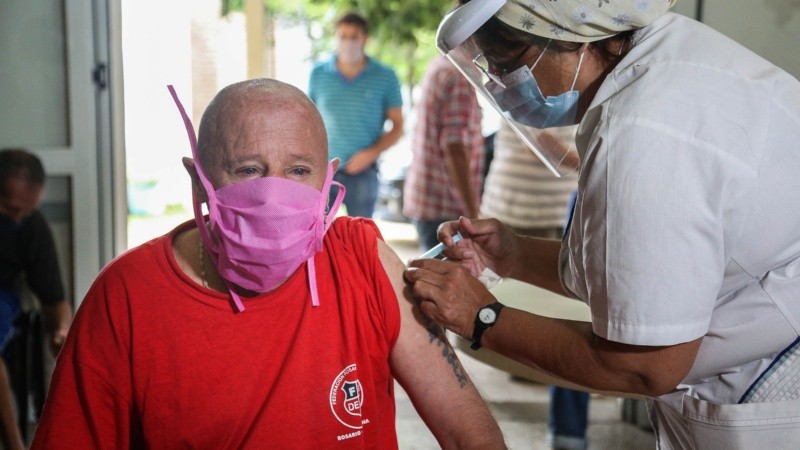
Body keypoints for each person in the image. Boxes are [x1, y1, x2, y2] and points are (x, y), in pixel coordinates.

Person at [405, 0, 800, 448]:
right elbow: (641, 275)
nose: (502, 87)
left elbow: (645, 365)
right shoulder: (667, 54)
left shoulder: (642, 130)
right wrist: (514, 254)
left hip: (775, 389)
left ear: (567, 34)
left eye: (508, 67)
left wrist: (481, 317)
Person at [30, 79, 506, 449]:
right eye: (248, 170)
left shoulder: (361, 260)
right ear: (198, 181)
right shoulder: (127, 296)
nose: (275, 197)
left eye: (299, 172)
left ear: (327, 180)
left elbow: (470, 433)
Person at [480, 123, 586, 450]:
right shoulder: (519, 93)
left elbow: (597, 163)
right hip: (502, 216)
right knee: (484, 319)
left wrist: (566, 157)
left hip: (554, 221)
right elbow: (534, 147)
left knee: (571, 326)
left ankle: (568, 434)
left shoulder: (584, 102)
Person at [0, 149, 73, 450]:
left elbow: (54, 298)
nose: (19, 218)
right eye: (10, 208)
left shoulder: (32, 226)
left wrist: (62, 333)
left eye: (26, 212)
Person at [308, 12, 404, 218]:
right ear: (335, 37)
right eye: (343, 36)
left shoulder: (385, 76)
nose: (348, 42)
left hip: (363, 172)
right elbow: (308, 120)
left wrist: (371, 153)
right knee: (317, 235)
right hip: (324, 171)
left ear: (364, 39)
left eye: (354, 37)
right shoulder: (318, 74)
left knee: (359, 237)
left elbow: (397, 127)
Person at [403, 53, 485, 251]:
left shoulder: (441, 64)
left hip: (427, 199)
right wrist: (473, 215)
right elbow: (454, 148)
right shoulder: (459, 75)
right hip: (445, 206)